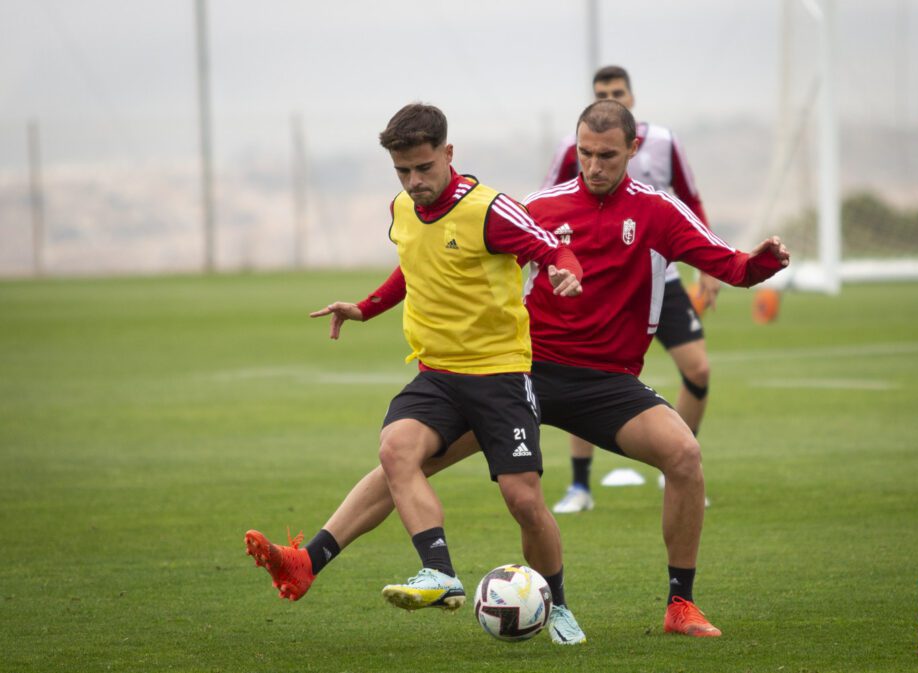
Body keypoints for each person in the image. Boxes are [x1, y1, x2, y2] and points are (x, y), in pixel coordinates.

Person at [249, 100, 789, 638]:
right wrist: (369, 307)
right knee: (405, 460)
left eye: (607, 155)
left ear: (633, 150)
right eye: (584, 153)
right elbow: (439, 257)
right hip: (524, 371)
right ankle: (309, 560)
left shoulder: (658, 212)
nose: (594, 166)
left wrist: (760, 263)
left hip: (607, 383)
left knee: (685, 456)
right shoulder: (542, 205)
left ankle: (680, 604)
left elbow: (729, 264)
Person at [243, 103, 589, 645]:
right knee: (396, 450)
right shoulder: (402, 207)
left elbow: (554, 250)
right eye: (403, 171)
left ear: (449, 154)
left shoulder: (490, 210)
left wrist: (566, 274)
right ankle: (440, 571)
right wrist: (364, 307)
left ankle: (559, 603)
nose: (414, 181)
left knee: (524, 501)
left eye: (424, 168)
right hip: (438, 376)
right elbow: (412, 265)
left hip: (499, 375)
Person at [544, 65, 720, 514]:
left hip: (664, 276)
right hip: (600, 280)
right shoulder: (572, 147)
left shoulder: (664, 140)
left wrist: (709, 265)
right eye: (603, 92)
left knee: (698, 371)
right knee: (582, 370)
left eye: (618, 91)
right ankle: (580, 487)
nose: (594, 163)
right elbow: (547, 207)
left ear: (632, 97)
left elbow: (691, 198)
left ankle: (676, 462)